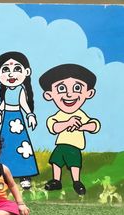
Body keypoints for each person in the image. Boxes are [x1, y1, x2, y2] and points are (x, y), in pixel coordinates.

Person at [39, 64, 101, 195]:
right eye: (61, 88)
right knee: (56, 162)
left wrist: (83, 126)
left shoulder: (81, 114)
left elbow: (95, 125)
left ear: (89, 93)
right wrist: (67, 123)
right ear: (49, 95)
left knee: (75, 164)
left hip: (75, 146)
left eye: (77, 88)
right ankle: (56, 180)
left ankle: (77, 181)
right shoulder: (59, 115)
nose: (69, 94)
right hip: (61, 145)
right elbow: (54, 127)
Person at [0, 52, 39, 190]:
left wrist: (30, 115)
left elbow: (23, 104)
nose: (11, 74)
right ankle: (5, 174)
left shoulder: (20, 89)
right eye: (6, 70)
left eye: (17, 69)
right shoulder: (6, 90)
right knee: (6, 146)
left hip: (17, 120)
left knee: (21, 146)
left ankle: (25, 175)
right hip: (7, 119)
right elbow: (3, 103)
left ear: (27, 72)